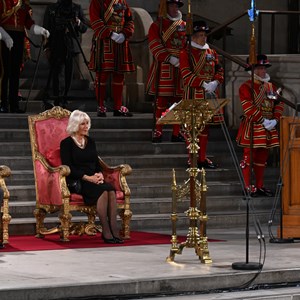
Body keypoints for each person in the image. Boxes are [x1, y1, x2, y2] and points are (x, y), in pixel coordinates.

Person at [60, 110, 123, 244]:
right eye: (82, 124)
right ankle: (106, 230)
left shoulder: (91, 141)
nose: (86, 126)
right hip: (78, 181)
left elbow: (96, 163)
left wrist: (99, 174)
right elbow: (68, 167)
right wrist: (88, 178)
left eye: (87, 123)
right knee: (103, 191)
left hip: (93, 179)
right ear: (75, 125)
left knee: (110, 189)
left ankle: (113, 228)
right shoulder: (66, 143)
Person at [236, 54, 284, 197]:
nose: (264, 71)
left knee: (262, 158)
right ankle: (247, 187)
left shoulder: (271, 86)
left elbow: (279, 104)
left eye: (264, 68)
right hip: (253, 126)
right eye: (261, 68)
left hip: (268, 126)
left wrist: (275, 120)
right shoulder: (245, 87)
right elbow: (248, 108)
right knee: (248, 158)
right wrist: (263, 120)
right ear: (254, 70)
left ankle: (259, 185)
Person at [179, 20, 224, 168]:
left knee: (205, 127)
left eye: (204, 35)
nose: (203, 38)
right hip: (193, 93)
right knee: (191, 128)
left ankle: (202, 158)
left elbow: (219, 70)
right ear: (193, 37)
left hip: (209, 93)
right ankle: (192, 158)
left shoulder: (212, 52)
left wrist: (216, 82)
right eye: (199, 35)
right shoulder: (186, 53)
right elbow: (185, 74)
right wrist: (203, 83)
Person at [146, 0, 186, 143]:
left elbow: (189, 44)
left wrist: (184, 59)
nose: (175, 8)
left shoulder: (185, 26)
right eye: (172, 5)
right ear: (165, 7)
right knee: (161, 101)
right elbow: (154, 44)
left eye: (177, 6)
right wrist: (169, 58)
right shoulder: (157, 25)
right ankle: (158, 130)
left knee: (179, 101)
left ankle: (177, 132)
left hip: (181, 67)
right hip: (165, 65)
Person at [0, 0, 50, 113]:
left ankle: (14, 105)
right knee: (5, 72)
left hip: (18, 37)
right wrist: (5, 36)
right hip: (4, 37)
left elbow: (29, 24)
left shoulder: (23, 4)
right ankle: (2, 103)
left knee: (15, 73)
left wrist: (40, 30)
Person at [89, 0, 135, 117]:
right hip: (104, 41)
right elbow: (95, 20)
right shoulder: (97, 2)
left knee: (119, 75)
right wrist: (110, 34)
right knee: (102, 75)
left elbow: (129, 20)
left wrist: (125, 33)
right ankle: (101, 106)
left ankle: (118, 107)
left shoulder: (122, 2)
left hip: (120, 42)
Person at [43, 0, 88, 108]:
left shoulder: (77, 8)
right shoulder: (52, 8)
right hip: (56, 44)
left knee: (69, 73)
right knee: (56, 73)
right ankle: (56, 98)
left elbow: (84, 28)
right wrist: (46, 47)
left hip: (71, 46)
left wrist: (78, 23)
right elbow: (45, 28)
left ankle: (65, 97)